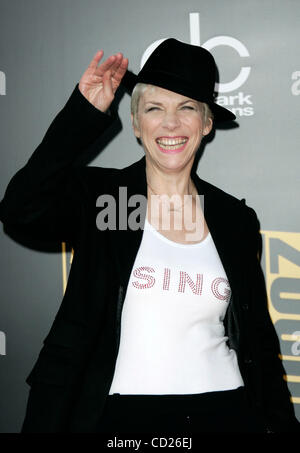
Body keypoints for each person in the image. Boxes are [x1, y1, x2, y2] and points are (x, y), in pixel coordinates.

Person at [0, 38, 299, 434]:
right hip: (121, 420)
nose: (170, 123)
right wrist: (80, 117)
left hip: (228, 411)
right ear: (137, 125)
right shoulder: (106, 200)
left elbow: (258, 338)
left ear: (206, 123)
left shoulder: (233, 218)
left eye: (187, 108)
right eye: (155, 108)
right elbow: (20, 209)